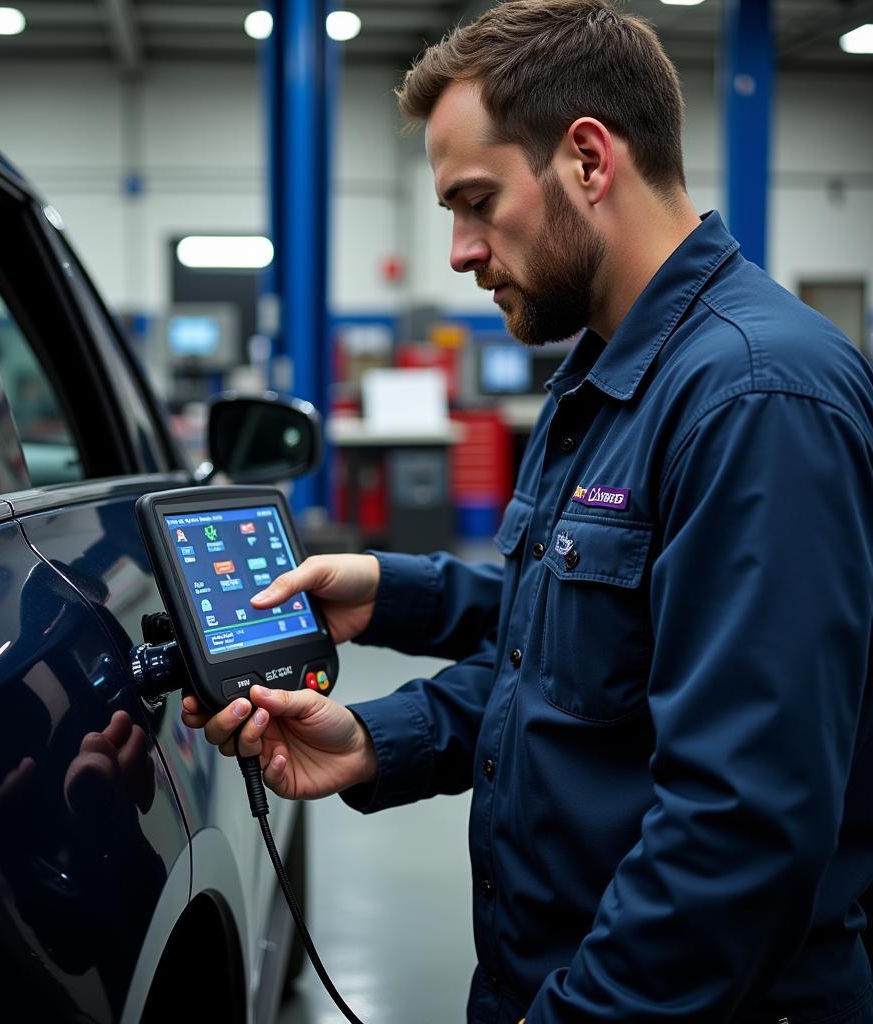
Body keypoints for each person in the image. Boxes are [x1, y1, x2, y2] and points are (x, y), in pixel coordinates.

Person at [182, 1, 873, 1020]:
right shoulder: (603, 377)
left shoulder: (755, 397)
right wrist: (374, 734)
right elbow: (570, 661)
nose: (459, 252)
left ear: (588, 160)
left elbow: (737, 832)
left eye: (474, 201)